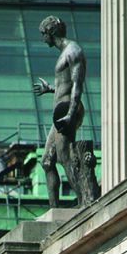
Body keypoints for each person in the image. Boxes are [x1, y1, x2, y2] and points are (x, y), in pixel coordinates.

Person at [33, 15, 87, 208]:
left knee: (65, 157)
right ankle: (55, 211)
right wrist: (50, 90)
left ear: (51, 32)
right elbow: (66, 85)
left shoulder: (73, 51)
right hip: (61, 112)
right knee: (47, 161)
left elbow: (77, 87)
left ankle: (84, 201)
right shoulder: (65, 52)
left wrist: (70, 114)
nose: (43, 38)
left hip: (67, 111)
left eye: (43, 34)